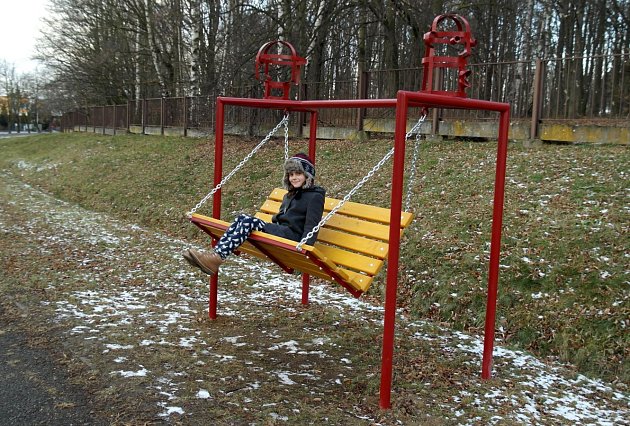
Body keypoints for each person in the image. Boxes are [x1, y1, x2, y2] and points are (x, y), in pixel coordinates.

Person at [184, 153, 326, 275]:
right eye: (291, 174)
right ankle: (214, 256)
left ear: (307, 175)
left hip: (293, 238)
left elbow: (312, 225)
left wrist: (305, 249)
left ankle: (217, 258)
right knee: (242, 218)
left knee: (247, 221)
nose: (294, 178)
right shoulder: (291, 194)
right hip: (282, 231)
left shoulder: (315, 196)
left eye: (298, 174)